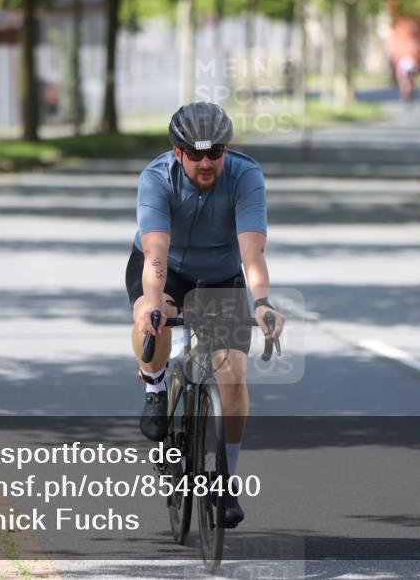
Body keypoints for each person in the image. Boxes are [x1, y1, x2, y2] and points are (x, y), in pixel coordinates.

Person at [125, 101, 286, 528]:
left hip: (219, 277)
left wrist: (264, 302)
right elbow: (155, 253)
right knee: (151, 314)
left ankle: (226, 479)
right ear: (177, 153)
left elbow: (252, 252)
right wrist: (155, 300)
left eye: (214, 152)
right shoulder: (157, 178)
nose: (205, 162)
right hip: (167, 271)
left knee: (232, 372)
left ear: (226, 150)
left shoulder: (245, 176)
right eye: (194, 154)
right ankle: (156, 389)